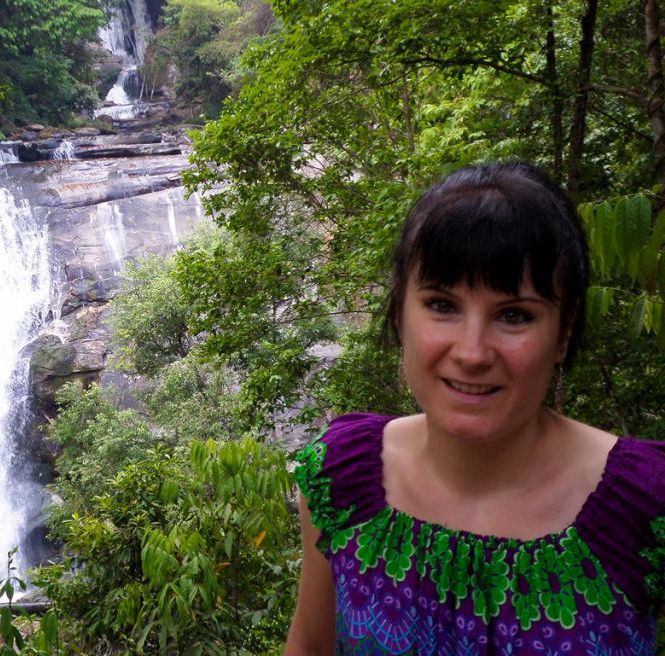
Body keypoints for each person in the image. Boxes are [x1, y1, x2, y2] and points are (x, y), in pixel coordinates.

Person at [284, 162, 665, 655]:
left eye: (513, 315)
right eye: (443, 305)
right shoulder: (341, 478)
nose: (471, 352)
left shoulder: (644, 502)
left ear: (563, 330)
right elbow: (311, 645)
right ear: (401, 311)